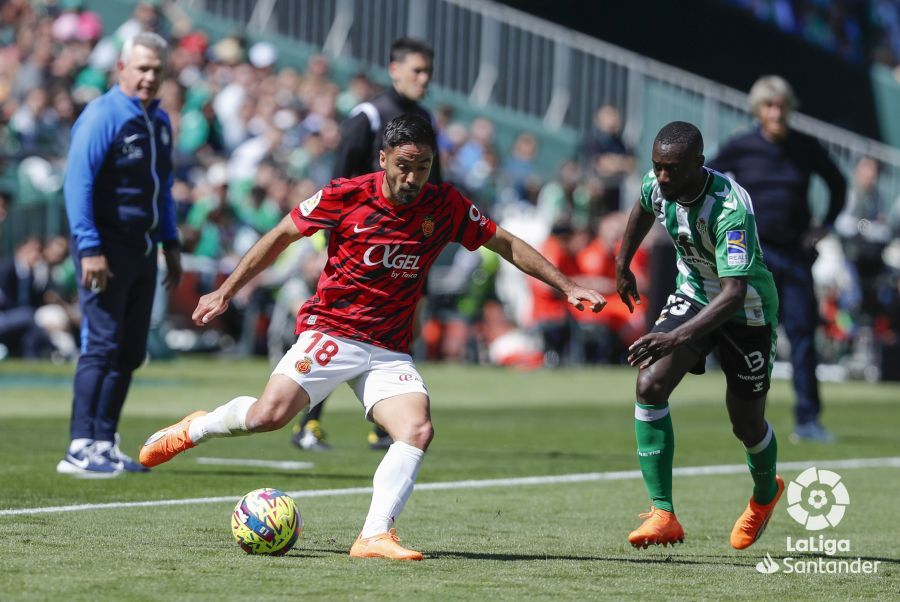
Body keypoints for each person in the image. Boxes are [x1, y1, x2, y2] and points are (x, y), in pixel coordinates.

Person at [138, 114, 605, 560]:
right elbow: (282, 234)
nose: (413, 178)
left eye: (422, 168)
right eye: (404, 166)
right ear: (383, 159)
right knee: (267, 417)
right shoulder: (345, 195)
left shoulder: (446, 206)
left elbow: (504, 242)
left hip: (388, 350)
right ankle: (195, 427)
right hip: (332, 331)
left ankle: (374, 534)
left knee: (417, 429)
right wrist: (225, 290)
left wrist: (568, 286)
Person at [616, 121, 782, 551]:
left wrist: (675, 340)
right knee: (650, 383)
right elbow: (642, 207)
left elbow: (734, 293)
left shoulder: (730, 208)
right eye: (657, 167)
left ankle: (765, 496)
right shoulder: (658, 183)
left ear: (698, 163)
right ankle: (663, 513)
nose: (662, 177)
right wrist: (622, 263)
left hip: (746, 313)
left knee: (745, 423)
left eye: (672, 169)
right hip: (692, 295)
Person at [294, 37, 440, 451]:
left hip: (407, 249)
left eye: (428, 71)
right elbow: (336, 185)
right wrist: (330, 246)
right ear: (394, 70)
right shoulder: (369, 115)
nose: (424, 79)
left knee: (400, 327)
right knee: (334, 334)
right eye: (417, 70)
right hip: (359, 251)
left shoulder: (424, 121)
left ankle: (384, 421)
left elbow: (435, 189)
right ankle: (310, 423)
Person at [58, 32, 182, 478]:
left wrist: (171, 243)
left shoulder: (159, 121)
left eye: (157, 70)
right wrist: (89, 246)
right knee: (102, 343)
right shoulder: (103, 115)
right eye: (142, 68)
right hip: (105, 249)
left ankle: (104, 442)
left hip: (144, 249)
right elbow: (79, 184)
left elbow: (162, 189)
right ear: (122, 69)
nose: (149, 77)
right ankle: (79, 444)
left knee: (130, 350)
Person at [708, 75, 846, 443]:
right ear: (759, 110)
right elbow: (708, 181)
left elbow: (838, 184)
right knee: (748, 335)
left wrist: (825, 225)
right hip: (754, 255)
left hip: (797, 256)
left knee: (802, 336)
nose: (777, 112)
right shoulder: (741, 146)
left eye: (782, 105)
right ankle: (747, 420)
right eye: (769, 106)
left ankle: (808, 420)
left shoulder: (805, 146)